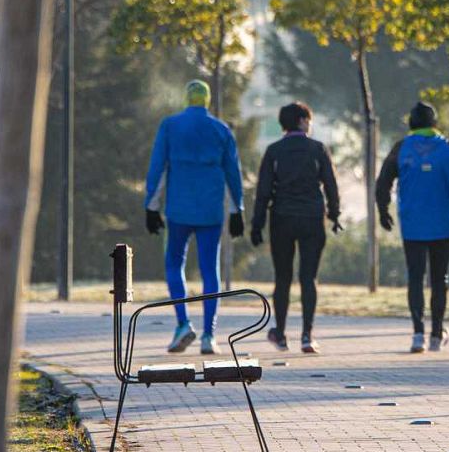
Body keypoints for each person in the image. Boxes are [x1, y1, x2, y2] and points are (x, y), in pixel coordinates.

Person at [145, 79, 246, 355]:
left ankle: (182, 323)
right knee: (209, 270)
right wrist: (238, 209)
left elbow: (158, 168)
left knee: (173, 264)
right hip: (211, 209)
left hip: (179, 208)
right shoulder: (221, 130)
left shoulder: (170, 126)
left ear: (186, 99)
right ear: (208, 100)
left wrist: (151, 206)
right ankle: (209, 335)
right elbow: (233, 173)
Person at [375, 102, 449, 353]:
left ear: (411, 123)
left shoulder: (401, 148)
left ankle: (418, 333)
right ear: (434, 122)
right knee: (440, 279)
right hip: (442, 223)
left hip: (412, 224)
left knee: (415, 278)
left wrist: (383, 210)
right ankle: (436, 334)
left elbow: (383, 183)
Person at [249, 101, 341, 354]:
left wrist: (257, 224)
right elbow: (331, 185)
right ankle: (307, 335)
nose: (309, 124)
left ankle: (280, 334)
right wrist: (334, 214)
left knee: (283, 278)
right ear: (301, 121)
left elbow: (263, 191)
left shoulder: (274, 151)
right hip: (312, 218)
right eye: (308, 120)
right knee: (308, 278)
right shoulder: (318, 149)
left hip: (282, 219)